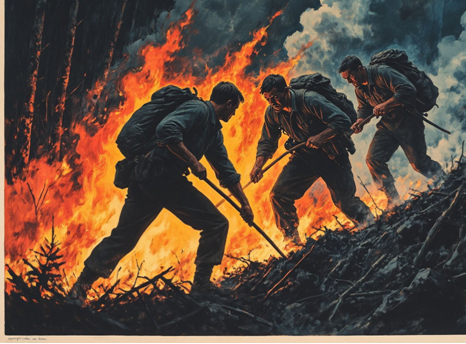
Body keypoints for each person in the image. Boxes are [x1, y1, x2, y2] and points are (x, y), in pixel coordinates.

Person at [67, 82, 254, 305]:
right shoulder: (198, 110)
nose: (234, 114)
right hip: (160, 176)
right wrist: (193, 162)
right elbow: (166, 129)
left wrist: (244, 204)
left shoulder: (213, 132)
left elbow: (226, 171)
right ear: (229, 103)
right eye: (234, 108)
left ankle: (80, 287)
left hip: (148, 178)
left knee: (124, 236)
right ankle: (201, 286)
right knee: (216, 224)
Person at [249, 74, 374, 247]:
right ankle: (292, 241)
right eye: (268, 99)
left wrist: (321, 137)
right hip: (304, 157)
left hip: (332, 155)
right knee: (278, 195)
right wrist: (258, 165)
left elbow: (342, 120)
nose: (272, 102)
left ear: (286, 91)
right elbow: (267, 142)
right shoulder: (272, 112)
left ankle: (371, 225)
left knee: (345, 202)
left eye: (275, 97)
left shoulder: (310, 100)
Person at [339, 55, 445, 206]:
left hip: (408, 120)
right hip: (387, 124)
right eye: (346, 79)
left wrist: (386, 105)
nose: (350, 81)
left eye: (351, 77)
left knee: (419, 163)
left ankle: (443, 178)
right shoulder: (359, 88)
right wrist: (360, 121)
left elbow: (408, 89)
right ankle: (393, 200)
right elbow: (364, 108)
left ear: (360, 69)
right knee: (373, 159)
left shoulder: (382, 73)